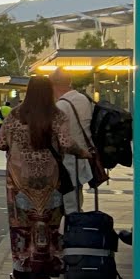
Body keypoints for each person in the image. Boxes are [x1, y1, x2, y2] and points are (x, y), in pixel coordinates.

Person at [0, 76, 90, 279]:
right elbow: (66, 143)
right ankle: (44, 270)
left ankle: (22, 270)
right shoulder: (57, 115)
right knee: (49, 223)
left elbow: (0, 143)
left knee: (21, 225)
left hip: (19, 182)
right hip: (49, 180)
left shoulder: (15, 114)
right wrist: (83, 152)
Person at [50, 69, 95, 212]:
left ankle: (70, 232)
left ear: (53, 85)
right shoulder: (84, 99)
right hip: (82, 160)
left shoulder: (60, 106)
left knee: (69, 207)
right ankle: (76, 230)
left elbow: (57, 136)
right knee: (76, 202)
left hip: (67, 163)